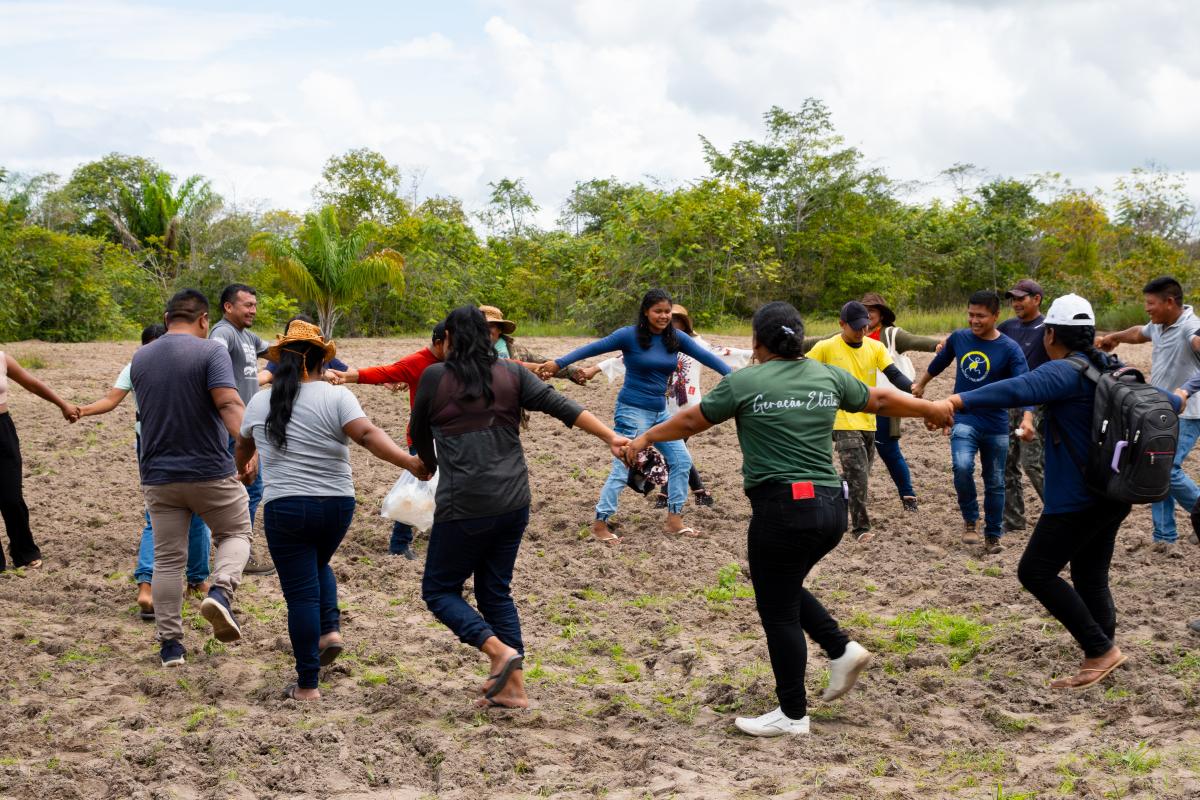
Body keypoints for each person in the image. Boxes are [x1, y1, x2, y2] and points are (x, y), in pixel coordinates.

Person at [621, 301, 952, 736]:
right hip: (832, 509)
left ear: (758, 342)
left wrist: (644, 438)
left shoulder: (746, 381)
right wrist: (930, 409)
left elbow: (689, 422)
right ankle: (839, 648)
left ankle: (793, 713)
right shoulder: (828, 376)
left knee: (776, 608)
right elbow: (880, 398)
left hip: (782, 510)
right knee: (782, 586)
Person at [939, 294, 1182, 689]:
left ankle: (1100, 650)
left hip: (1077, 499)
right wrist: (1185, 392)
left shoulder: (1065, 371)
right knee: (1090, 577)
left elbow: (1016, 389)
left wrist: (955, 400)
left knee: (1035, 571)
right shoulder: (1112, 366)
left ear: (1050, 334)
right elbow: (1168, 401)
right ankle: (1101, 654)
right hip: (1114, 492)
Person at [410, 306, 627, 710]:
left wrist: (427, 463)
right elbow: (563, 406)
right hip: (514, 501)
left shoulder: (436, 377)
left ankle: (498, 651)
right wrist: (611, 437)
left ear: (450, 339)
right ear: (488, 338)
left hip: (465, 502)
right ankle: (514, 689)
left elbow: (419, 432)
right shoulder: (511, 373)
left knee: (439, 590)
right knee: (495, 591)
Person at [236, 320, 427, 700]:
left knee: (300, 595)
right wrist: (409, 462)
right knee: (318, 563)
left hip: (286, 508)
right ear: (320, 360)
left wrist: (243, 469)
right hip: (337, 506)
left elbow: (243, 447)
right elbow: (368, 436)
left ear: (283, 362)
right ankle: (330, 630)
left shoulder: (260, 402)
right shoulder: (338, 397)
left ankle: (307, 684)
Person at [537, 289, 732, 542]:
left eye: (667, 311)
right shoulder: (628, 335)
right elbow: (593, 348)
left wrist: (733, 377)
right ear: (646, 312)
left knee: (682, 461)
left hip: (661, 413)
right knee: (623, 466)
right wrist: (558, 363)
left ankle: (674, 521)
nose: (664, 316)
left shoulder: (676, 338)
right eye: (658, 311)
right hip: (631, 411)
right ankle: (600, 524)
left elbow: (708, 358)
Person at [132, 289, 254, 667]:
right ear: (203, 320)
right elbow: (228, 402)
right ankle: (220, 592)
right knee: (236, 533)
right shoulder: (211, 351)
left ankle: (171, 646)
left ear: (167, 319)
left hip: (158, 475)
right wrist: (248, 448)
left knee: (168, 560)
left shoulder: (140, 357)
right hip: (209, 470)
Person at [77, 323, 211, 618]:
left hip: (151, 446)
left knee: (158, 515)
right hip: (186, 445)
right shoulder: (186, 363)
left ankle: (151, 586)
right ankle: (195, 579)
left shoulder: (137, 363)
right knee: (194, 512)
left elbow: (111, 399)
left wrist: (82, 410)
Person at [578, 303, 752, 508]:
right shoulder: (652, 343)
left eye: (676, 320)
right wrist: (595, 369)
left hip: (688, 408)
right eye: (670, 319)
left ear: (685, 324)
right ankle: (693, 491)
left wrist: (758, 353)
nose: (670, 323)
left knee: (678, 453)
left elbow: (722, 353)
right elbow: (623, 358)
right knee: (676, 454)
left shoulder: (695, 344)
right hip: (663, 408)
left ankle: (674, 492)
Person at [912, 290, 1032, 553]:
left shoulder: (1009, 349)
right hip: (964, 417)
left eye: (981, 316)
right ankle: (970, 519)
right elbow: (940, 362)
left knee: (995, 480)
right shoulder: (959, 338)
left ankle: (993, 535)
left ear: (996, 316)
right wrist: (921, 384)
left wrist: (1027, 417)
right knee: (962, 466)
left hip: (996, 422)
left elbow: (1025, 385)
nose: (974, 320)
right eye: (971, 314)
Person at [327, 322, 448, 559]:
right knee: (416, 488)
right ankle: (399, 543)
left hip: (451, 435)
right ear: (438, 343)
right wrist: (348, 376)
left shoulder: (457, 363)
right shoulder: (417, 361)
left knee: (446, 487)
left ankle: (440, 533)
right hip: (423, 437)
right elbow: (384, 372)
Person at [1099, 276, 1200, 554]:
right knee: (1156, 466)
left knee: (1168, 468)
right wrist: (1114, 338)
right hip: (1160, 411)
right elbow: (1138, 333)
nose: (1147, 308)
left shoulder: (1190, 326)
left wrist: (1186, 390)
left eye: (1151, 303)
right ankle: (1164, 536)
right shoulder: (1159, 325)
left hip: (1189, 412)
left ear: (1170, 302)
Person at [807, 300, 914, 542]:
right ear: (841, 324)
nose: (861, 331)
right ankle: (861, 529)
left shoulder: (875, 347)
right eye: (855, 327)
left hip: (868, 420)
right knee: (859, 477)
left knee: (858, 477)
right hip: (841, 421)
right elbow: (802, 369)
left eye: (865, 326)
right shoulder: (826, 347)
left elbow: (893, 374)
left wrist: (913, 388)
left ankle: (822, 491)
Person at [209, 283, 273, 575]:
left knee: (248, 487)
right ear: (228, 307)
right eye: (248, 305)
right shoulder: (223, 333)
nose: (253, 310)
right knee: (245, 486)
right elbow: (213, 357)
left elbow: (275, 353)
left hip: (247, 425)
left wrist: (308, 354)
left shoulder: (248, 336)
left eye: (255, 305)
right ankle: (236, 550)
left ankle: (233, 546)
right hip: (230, 427)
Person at [859, 292, 942, 513]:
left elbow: (916, 341)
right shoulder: (852, 333)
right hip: (858, 402)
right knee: (857, 451)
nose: (867, 315)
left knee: (888, 449)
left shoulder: (891, 335)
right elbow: (821, 341)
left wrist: (939, 344)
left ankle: (908, 496)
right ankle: (854, 498)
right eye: (864, 310)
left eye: (872, 311)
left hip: (886, 402)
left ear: (881, 315)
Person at [0, 349, 78, 571]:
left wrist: (63, 404)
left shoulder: (2, 358)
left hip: (2, 431)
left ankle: (23, 551)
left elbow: (32, 384)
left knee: (11, 497)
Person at [998, 279, 1049, 534]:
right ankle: (1014, 520)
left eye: (1021, 298)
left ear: (1036, 299)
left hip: (1037, 405)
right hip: (1009, 403)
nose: (1016, 303)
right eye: (1013, 299)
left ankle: (1063, 513)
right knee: (1006, 463)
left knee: (1033, 463)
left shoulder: (1048, 328)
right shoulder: (1007, 327)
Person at [481, 305, 587, 384]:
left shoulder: (517, 349)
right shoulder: (471, 350)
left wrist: (573, 371)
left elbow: (544, 363)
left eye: (491, 326)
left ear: (500, 329)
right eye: (481, 326)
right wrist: (532, 368)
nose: (485, 330)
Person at [257, 314, 348, 386]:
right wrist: (324, 373)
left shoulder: (325, 358)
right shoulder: (283, 358)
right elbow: (264, 376)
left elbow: (349, 374)